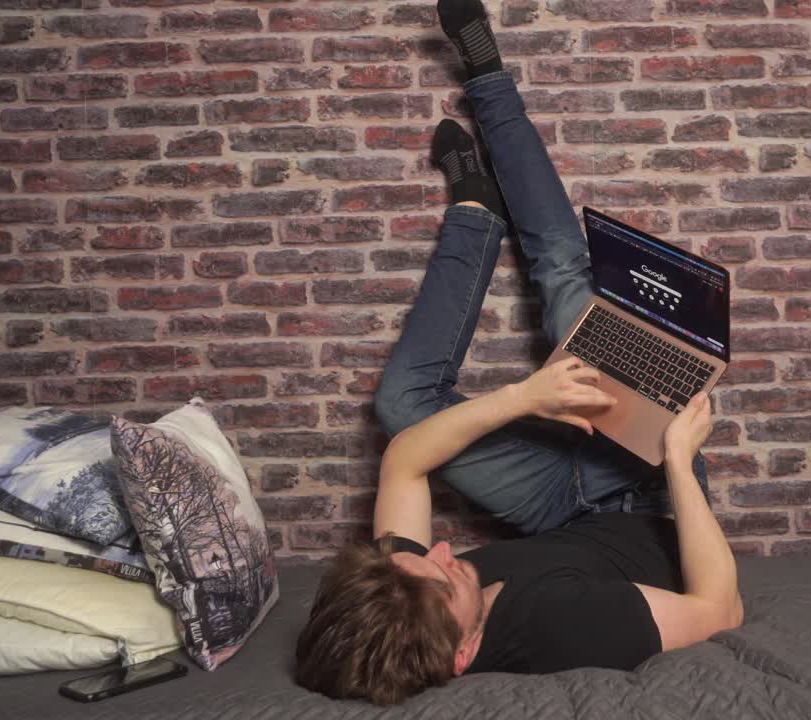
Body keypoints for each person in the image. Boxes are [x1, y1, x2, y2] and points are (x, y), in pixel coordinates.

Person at [295, 0, 744, 706]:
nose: (441, 550)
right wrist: (682, 459)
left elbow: (405, 459)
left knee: (399, 410)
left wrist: (526, 398)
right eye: (449, 577)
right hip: (649, 488)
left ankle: (474, 209)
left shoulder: (403, 601)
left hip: (562, 513)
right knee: (567, 281)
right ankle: (490, 79)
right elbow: (721, 612)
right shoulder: (565, 629)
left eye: (426, 560)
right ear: (466, 652)